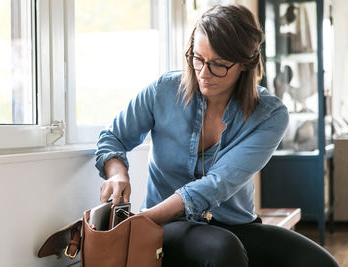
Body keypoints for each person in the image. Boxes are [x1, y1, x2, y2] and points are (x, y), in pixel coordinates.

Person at [95, 4, 338, 267]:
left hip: (235, 224)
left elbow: (216, 184)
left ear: (246, 63)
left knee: (320, 262)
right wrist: (117, 172)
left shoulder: (270, 114)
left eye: (219, 65)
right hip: (168, 224)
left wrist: (142, 220)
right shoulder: (164, 90)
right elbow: (112, 137)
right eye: (197, 58)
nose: (203, 73)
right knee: (224, 250)